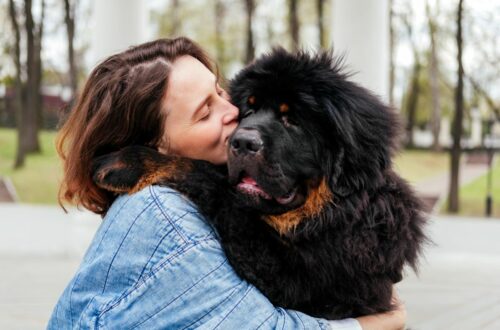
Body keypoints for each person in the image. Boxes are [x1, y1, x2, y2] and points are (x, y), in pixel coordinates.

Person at [48, 37, 406, 329]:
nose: (236, 115)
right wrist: (375, 324)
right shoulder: (161, 210)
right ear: (157, 147)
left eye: (221, 92)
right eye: (205, 111)